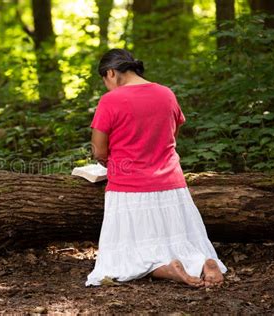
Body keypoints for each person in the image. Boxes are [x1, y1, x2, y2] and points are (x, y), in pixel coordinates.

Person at [85, 48, 227, 288]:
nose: (106, 87)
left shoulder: (111, 100)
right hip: (171, 186)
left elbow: (99, 151)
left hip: (128, 189)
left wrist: (109, 161)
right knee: (182, 241)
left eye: (104, 80)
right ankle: (203, 260)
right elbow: (172, 136)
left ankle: (167, 270)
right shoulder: (166, 94)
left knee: (122, 260)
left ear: (111, 72)